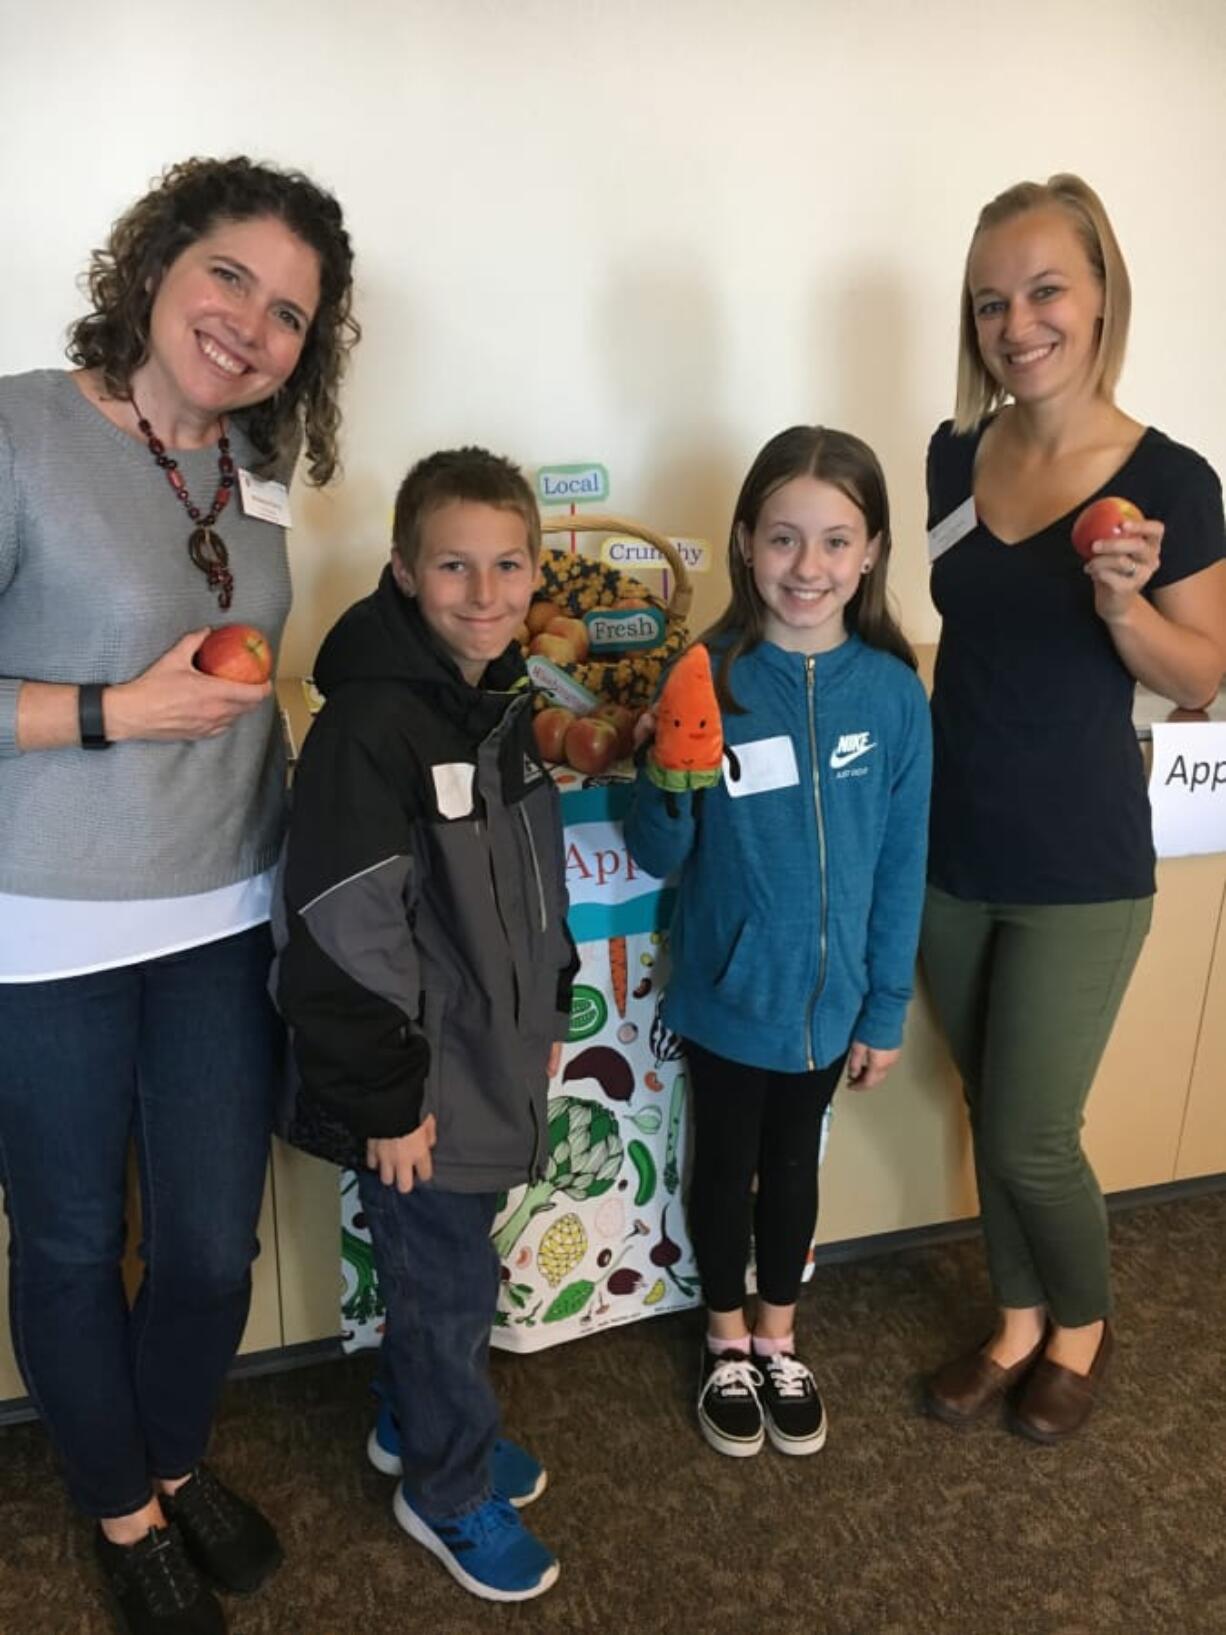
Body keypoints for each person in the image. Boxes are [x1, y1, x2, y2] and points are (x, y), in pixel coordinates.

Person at [0, 156, 358, 1635]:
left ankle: (171, 1442)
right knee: (75, 1237)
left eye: (288, 314)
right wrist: (105, 713)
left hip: (223, 911)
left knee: (212, 1239)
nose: (249, 326)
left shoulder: (256, 478)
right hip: (46, 921)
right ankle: (126, 1500)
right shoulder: (18, 429)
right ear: (155, 264)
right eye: (229, 276)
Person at [920, 174, 1226, 1443]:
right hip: (944, 849)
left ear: (1099, 296)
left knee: (1036, 1129)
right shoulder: (950, 452)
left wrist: (1118, 605)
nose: (1017, 321)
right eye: (992, 301)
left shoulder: (1170, 480)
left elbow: (1201, 674)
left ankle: (1082, 1324)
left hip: (1080, 867)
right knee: (991, 1107)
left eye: (1045, 289)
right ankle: (1013, 1319)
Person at [271, 447, 576, 1602]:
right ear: (404, 572)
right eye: (454, 565)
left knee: (448, 1273)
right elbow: (345, 932)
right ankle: (443, 1486)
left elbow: (534, 889)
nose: (484, 591)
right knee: (445, 1288)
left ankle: (416, 1417)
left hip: (485, 1059)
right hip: (422, 1084)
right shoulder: (371, 728)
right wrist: (391, 1097)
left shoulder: (494, 705)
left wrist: (546, 1005)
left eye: (507, 565)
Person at [624, 426, 932, 1458]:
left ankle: (777, 1335)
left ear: (872, 551)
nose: (808, 568)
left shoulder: (891, 695)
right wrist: (663, 778)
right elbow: (660, 853)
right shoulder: (708, 675)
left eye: (835, 542)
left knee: (793, 1170)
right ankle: (722, 1341)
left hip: (831, 1000)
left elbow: (900, 862)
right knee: (722, 1169)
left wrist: (883, 1004)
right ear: (746, 543)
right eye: (784, 540)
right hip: (726, 991)